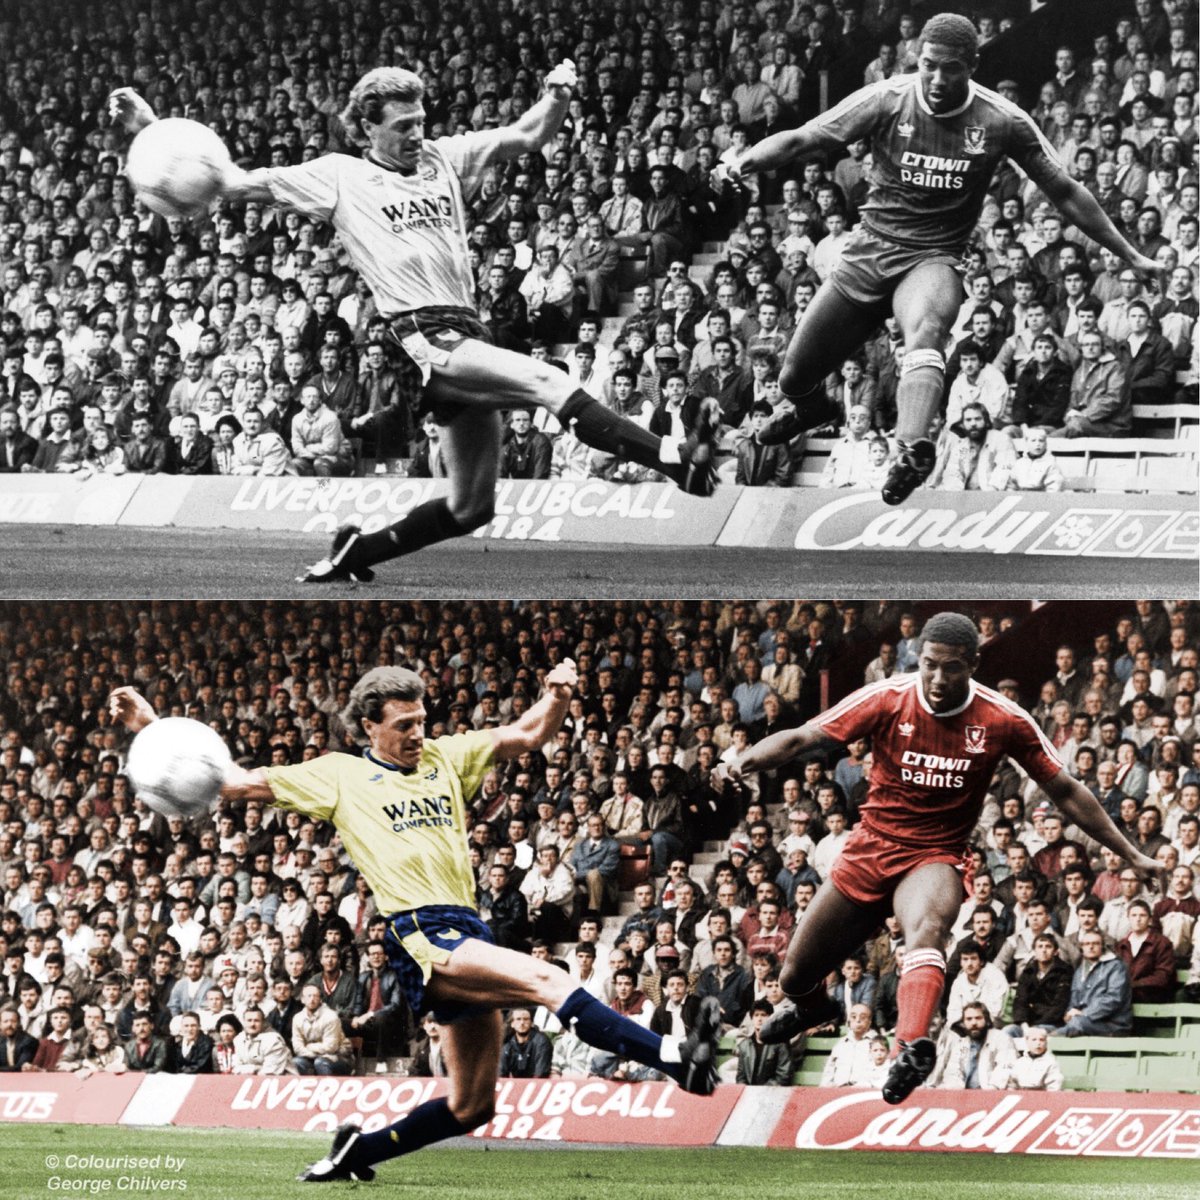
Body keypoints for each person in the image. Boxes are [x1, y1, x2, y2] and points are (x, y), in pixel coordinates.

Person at [108, 663, 719, 1183]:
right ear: (368, 727)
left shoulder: (446, 757)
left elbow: (529, 733)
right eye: (404, 726)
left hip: (467, 929)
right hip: (417, 932)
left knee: (472, 1106)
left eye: (422, 722)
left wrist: (557, 694)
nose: (417, 734)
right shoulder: (339, 774)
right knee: (547, 980)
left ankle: (356, 1152)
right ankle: (673, 1057)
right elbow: (233, 783)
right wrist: (154, 728)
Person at [108, 74, 719, 584]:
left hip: (465, 331)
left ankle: (356, 553)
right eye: (402, 126)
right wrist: (154, 132)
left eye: (421, 119)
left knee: (471, 506)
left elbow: (529, 134)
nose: (417, 132)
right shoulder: (337, 175)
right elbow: (226, 180)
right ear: (366, 128)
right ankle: (675, 459)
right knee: (546, 379)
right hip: (416, 337)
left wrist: (557, 95)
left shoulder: (444, 158)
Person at [715, 610, 1163, 1105]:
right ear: (918, 658)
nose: (937, 678)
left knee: (927, 928)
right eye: (929, 664)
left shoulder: (1003, 718)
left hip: (935, 855)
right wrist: (743, 760)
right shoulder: (888, 697)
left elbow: (1067, 791)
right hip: (869, 850)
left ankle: (911, 1047)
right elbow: (805, 737)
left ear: (973, 664)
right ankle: (808, 1008)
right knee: (794, 975)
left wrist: (1132, 855)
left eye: (952, 668)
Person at [720, 13, 1161, 506]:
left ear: (972, 65)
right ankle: (809, 409)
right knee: (793, 376)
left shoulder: (1002, 120)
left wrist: (1131, 255)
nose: (936, 79)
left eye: (950, 68)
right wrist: (744, 160)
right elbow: (806, 137)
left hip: (931, 258)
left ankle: (912, 450)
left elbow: (1065, 190)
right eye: (928, 65)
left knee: (927, 329)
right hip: (868, 252)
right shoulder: (887, 98)